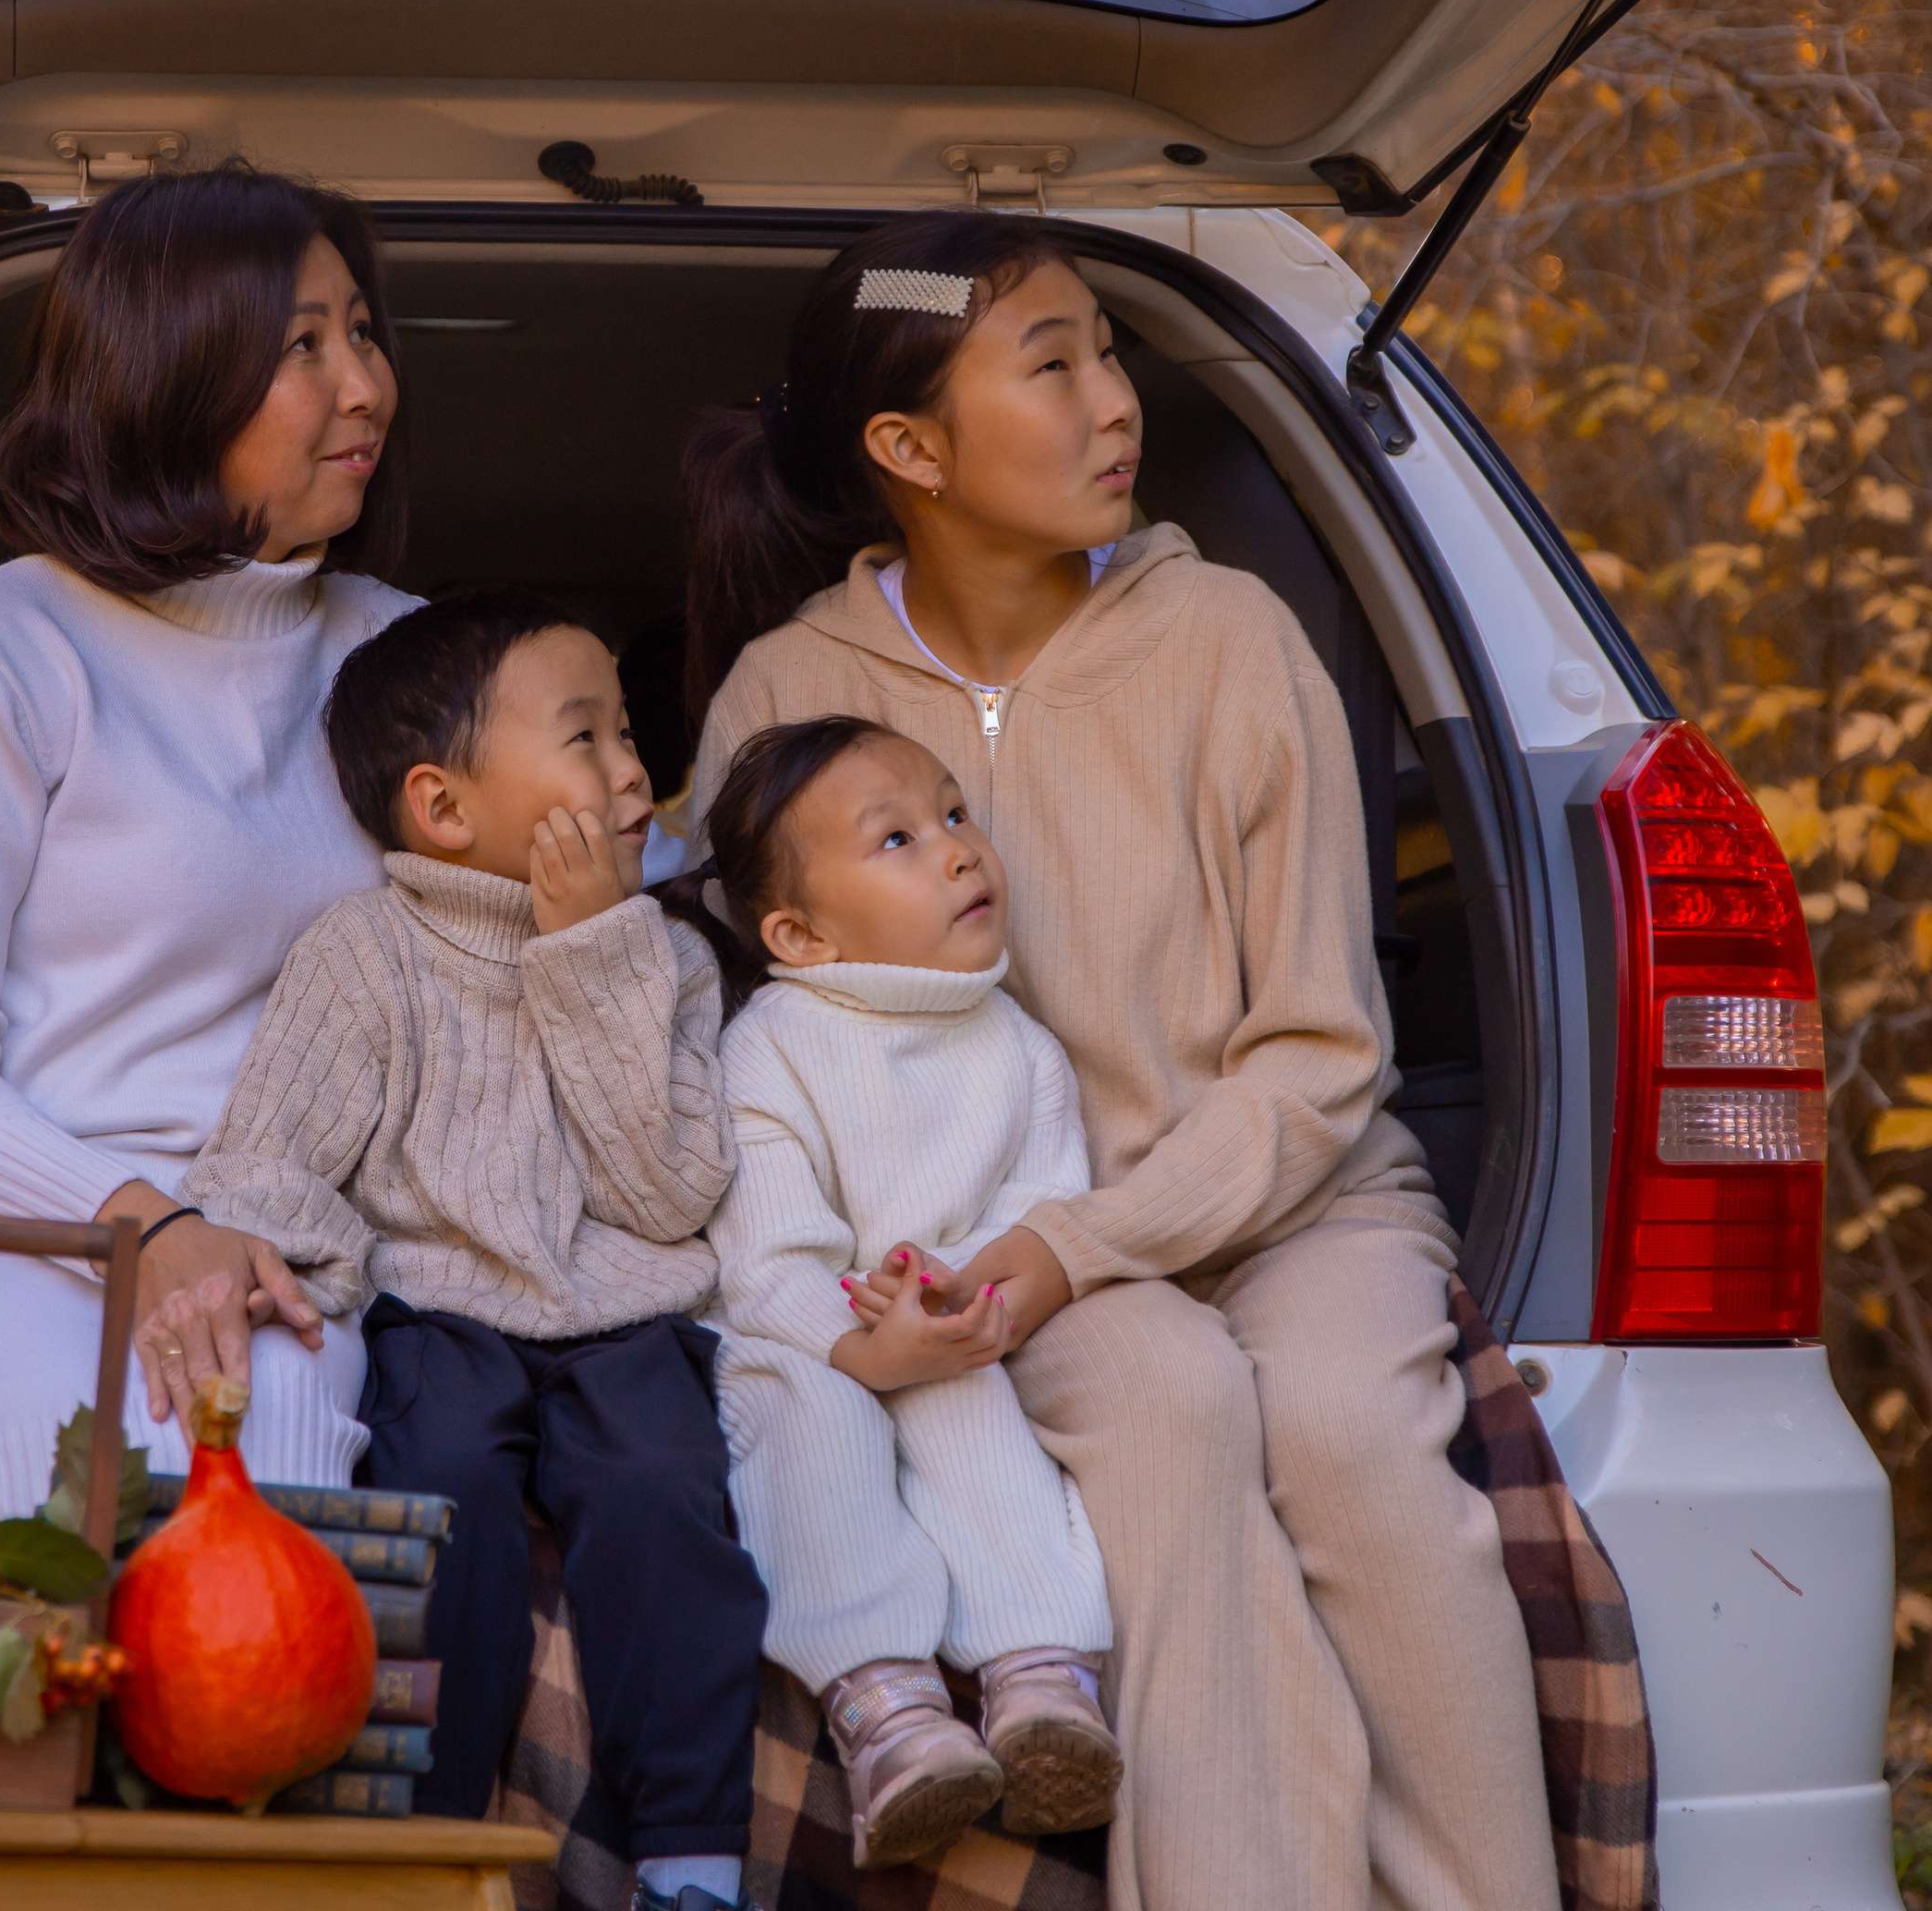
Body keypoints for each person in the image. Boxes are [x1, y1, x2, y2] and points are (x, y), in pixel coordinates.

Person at [683, 214, 1558, 1911]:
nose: (1114, 403)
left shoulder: (1231, 640)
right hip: (994, 1248)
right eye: (1055, 364)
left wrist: (1069, 1249)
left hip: (1287, 1204)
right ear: (909, 450)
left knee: (1355, 1440)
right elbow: (752, 1051)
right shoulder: (788, 691)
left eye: (1112, 351)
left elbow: (1319, 1058)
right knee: (1169, 1410)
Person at [0, 164, 417, 1522]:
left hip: (261, 1241)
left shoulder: (401, 653)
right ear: (171, 376)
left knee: (267, 1531)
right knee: (73, 1512)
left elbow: (601, 898)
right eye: (302, 346)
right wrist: (146, 1225)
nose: (364, 384)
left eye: (362, 332)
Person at [181, 590, 765, 1911]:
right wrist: (308, 1262)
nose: (631, 772)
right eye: (584, 738)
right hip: (437, 1310)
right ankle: (427, 1837)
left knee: (667, 1488)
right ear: (445, 810)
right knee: (441, 1489)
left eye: (629, 734)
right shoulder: (365, 955)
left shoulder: (662, 957)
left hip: (625, 1314)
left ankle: (690, 1855)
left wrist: (596, 951)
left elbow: (667, 1193)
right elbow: (271, 1159)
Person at [683, 714, 1121, 1872]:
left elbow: (1042, 1199)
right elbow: (765, 1258)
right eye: (897, 839)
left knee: (970, 1404)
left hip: (939, 1323)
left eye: (955, 814)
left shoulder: (1018, 1044)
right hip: (809, 1340)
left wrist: (960, 1290)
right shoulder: (773, 1043)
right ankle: (887, 1707)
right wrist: (859, 1345)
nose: (959, 850)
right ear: (799, 932)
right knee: (808, 1425)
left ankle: (1040, 1683)